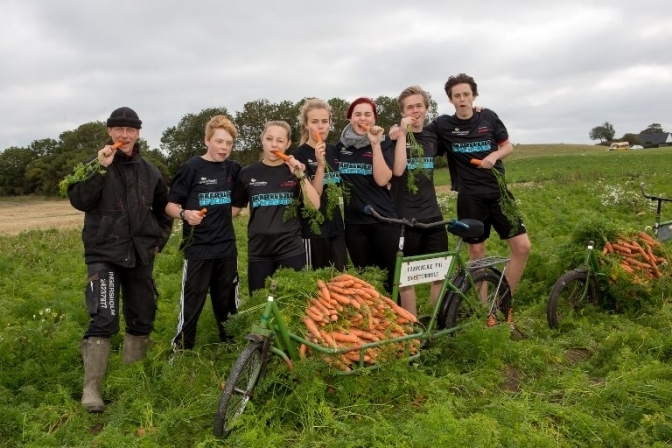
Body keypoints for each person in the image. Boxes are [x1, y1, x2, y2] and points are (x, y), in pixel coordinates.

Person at [67, 107, 172, 413]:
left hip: (140, 254)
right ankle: (92, 390)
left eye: (130, 130)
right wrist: (100, 169)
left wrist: (158, 243)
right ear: (109, 132)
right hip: (104, 255)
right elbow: (80, 200)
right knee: (104, 316)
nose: (124, 136)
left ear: (138, 133)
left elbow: (165, 210)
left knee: (141, 316)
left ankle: (130, 384)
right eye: (118, 129)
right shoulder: (93, 165)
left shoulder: (150, 172)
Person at [428, 73, 531, 299]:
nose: (462, 99)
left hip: (499, 193)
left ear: (474, 96)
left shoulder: (489, 117)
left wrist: (495, 155)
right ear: (450, 99)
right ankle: (484, 308)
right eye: (457, 95)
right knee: (477, 251)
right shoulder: (443, 125)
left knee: (522, 247)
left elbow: (508, 146)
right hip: (470, 196)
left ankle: (503, 300)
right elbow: (421, 136)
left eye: (466, 94)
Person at [165, 115, 241, 351]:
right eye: (219, 141)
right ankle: (182, 349)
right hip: (198, 246)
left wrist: (228, 213)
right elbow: (170, 205)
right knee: (193, 299)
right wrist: (185, 214)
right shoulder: (191, 168)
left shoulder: (234, 169)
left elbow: (237, 204)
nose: (224, 148)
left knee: (226, 300)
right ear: (207, 140)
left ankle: (231, 345)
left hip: (226, 246)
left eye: (228, 143)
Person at [231, 121, 321, 294]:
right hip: (259, 250)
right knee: (259, 301)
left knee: (292, 301)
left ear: (288, 144)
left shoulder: (295, 170)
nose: (274, 144)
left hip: (291, 249)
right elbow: (235, 208)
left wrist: (300, 175)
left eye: (280, 140)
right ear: (262, 140)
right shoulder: (247, 173)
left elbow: (314, 205)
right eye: (269, 138)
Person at [336, 97, 407, 293]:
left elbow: (383, 180)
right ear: (350, 118)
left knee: (391, 280)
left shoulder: (383, 144)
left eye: (368, 114)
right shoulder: (340, 147)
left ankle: (398, 320)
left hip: (383, 220)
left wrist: (374, 145)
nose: (362, 118)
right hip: (354, 225)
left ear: (374, 118)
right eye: (357, 114)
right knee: (365, 282)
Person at [389, 86, 447, 317]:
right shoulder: (394, 137)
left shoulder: (434, 135)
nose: (415, 110)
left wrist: (478, 110)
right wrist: (400, 132)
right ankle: (411, 326)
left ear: (426, 108)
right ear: (402, 112)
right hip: (404, 217)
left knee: (439, 273)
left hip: (433, 215)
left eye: (419, 106)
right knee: (406, 278)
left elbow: (459, 126)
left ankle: (437, 321)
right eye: (409, 107)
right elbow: (398, 169)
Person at [291, 98, 347, 271]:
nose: (320, 126)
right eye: (314, 122)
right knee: (317, 283)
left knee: (339, 281)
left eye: (325, 121)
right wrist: (320, 165)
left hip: (336, 227)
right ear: (306, 125)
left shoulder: (334, 150)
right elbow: (313, 197)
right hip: (313, 229)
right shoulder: (298, 155)